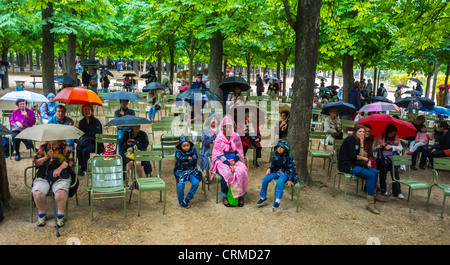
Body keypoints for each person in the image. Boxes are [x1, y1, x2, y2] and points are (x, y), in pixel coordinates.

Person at [338, 125, 380, 214]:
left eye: (364, 132)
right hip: (346, 165)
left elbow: (360, 154)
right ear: (355, 132)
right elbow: (352, 156)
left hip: (354, 163)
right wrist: (364, 159)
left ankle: (373, 195)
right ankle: (370, 203)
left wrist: (361, 142)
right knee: (371, 175)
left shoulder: (358, 141)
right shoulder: (351, 139)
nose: (362, 133)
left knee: (375, 172)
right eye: (360, 131)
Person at [32, 140, 74, 227]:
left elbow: (69, 161)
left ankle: (60, 216)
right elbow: (36, 163)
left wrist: (59, 169)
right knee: (37, 192)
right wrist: (46, 157)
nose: (50, 138)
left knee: (60, 192)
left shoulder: (65, 147)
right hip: (44, 173)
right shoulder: (43, 147)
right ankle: (42, 215)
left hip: (60, 173)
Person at [211, 116, 248, 207]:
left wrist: (234, 161)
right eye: (225, 126)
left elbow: (239, 151)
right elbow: (219, 154)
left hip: (235, 160)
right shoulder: (219, 138)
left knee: (242, 172)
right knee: (226, 174)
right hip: (222, 161)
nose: (227, 129)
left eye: (229, 127)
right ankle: (225, 196)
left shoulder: (236, 136)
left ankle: (241, 196)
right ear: (222, 127)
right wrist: (229, 164)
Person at [256, 140, 299, 210]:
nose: (279, 148)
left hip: (285, 173)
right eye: (278, 147)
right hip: (276, 172)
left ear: (285, 149)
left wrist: (290, 179)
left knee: (280, 182)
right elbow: (274, 164)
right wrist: (269, 168)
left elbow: (292, 168)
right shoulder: (276, 154)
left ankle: (277, 201)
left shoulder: (288, 157)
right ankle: (263, 197)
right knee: (265, 179)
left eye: (282, 147)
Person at [373, 124, 404, 198]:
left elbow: (400, 148)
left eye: (394, 133)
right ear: (387, 132)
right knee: (383, 170)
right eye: (391, 133)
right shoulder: (379, 137)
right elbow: (373, 149)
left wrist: (392, 147)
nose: (393, 135)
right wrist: (380, 146)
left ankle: (397, 191)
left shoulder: (396, 138)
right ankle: (383, 189)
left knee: (395, 171)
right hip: (382, 159)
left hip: (392, 159)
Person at [75, 104, 104, 176]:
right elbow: (79, 134)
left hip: (95, 143)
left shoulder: (96, 121)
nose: (87, 111)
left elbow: (97, 135)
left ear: (91, 111)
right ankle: (81, 166)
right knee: (78, 148)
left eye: (88, 109)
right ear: (83, 111)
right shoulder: (81, 122)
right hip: (84, 142)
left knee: (85, 150)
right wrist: (76, 128)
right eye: (85, 110)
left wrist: (87, 137)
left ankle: (85, 168)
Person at [174, 136, 202, 208]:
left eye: (187, 145)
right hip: (181, 171)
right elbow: (179, 158)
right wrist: (187, 158)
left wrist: (186, 162)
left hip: (192, 170)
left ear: (190, 145)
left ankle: (187, 199)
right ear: (180, 146)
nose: (186, 147)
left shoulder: (193, 150)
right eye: (184, 146)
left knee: (196, 182)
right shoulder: (178, 151)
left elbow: (195, 159)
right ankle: (181, 201)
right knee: (180, 185)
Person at [200, 112, 220, 184]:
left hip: (218, 149)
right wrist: (212, 140)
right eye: (212, 119)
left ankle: (219, 173)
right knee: (206, 157)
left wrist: (217, 142)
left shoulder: (220, 130)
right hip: (207, 148)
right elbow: (204, 141)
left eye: (215, 119)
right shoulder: (205, 129)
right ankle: (206, 175)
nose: (214, 121)